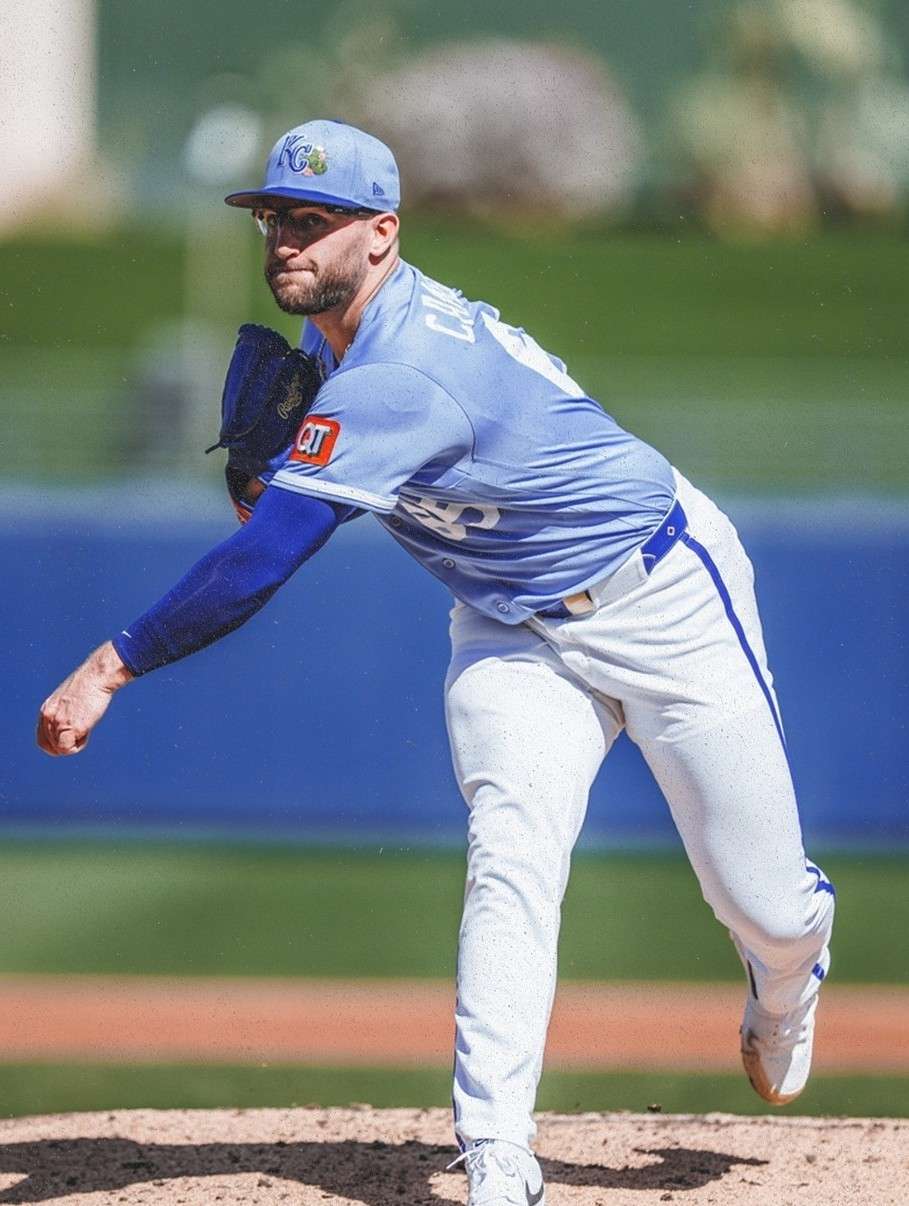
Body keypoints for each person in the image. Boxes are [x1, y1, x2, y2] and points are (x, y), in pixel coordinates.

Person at [37, 120, 834, 1206]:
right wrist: (262, 477)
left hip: (661, 594)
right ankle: (498, 1149)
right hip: (510, 623)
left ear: (382, 233)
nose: (282, 241)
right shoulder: (341, 346)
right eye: (273, 218)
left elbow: (268, 553)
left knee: (766, 901)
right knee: (512, 851)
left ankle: (788, 979)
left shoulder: (399, 375)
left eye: (310, 222)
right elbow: (274, 508)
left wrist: (109, 666)